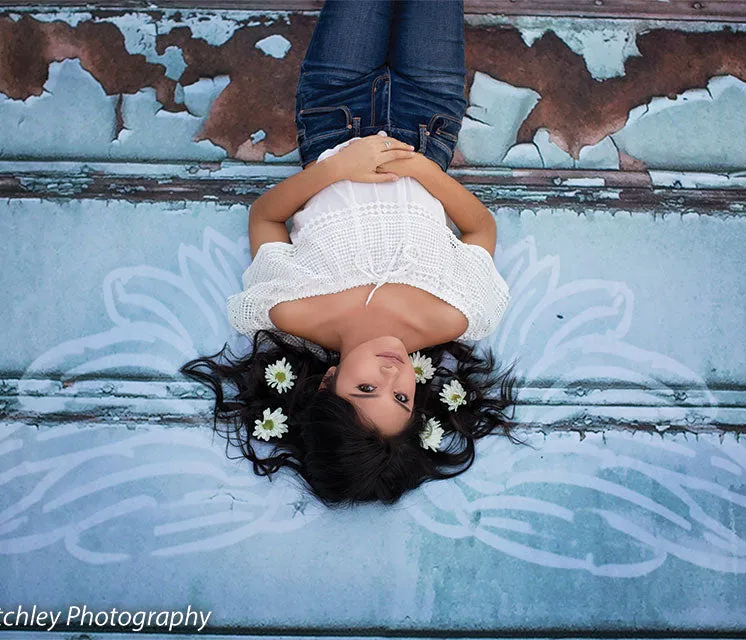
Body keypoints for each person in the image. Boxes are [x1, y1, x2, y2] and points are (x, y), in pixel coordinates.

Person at [181, 0, 522, 507]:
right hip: (428, 125)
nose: (390, 375)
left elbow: (264, 218)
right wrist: (426, 173)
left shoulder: (289, 308)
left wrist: (336, 170)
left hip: (332, 114)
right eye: (402, 397)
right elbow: (480, 228)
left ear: (326, 385)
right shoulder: (454, 316)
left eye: (366, 390)